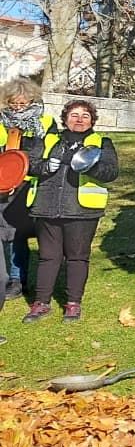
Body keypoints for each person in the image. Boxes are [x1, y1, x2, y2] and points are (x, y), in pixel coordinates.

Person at [20, 100, 119, 323]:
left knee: (77, 257)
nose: (79, 119)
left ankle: (73, 303)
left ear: (92, 120)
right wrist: (46, 166)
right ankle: (41, 303)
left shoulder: (101, 142)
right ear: (65, 119)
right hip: (46, 206)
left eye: (85, 115)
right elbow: (29, 163)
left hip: (82, 210)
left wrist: (90, 166)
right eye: (74, 115)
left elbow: (111, 172)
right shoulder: (49, 139)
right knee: (48, 257)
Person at [1, 78, 53, 301]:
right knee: (8, 234)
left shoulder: (45, 121)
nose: (18, 107)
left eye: (23, 103)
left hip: (30, 184)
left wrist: (24, 167)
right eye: (14, 104)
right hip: (4, 184)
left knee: (22, 233)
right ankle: (12, 279)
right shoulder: (2, 122)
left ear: (33, 100)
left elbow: (46, 150)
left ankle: (20, 278)